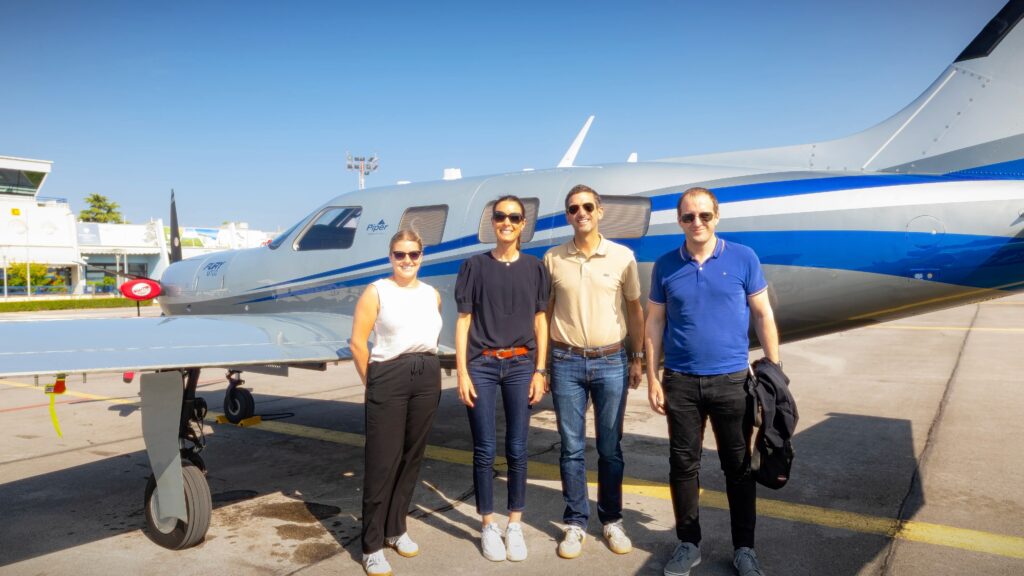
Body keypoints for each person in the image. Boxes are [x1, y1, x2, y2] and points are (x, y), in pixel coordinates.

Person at [645, 187, 780, 576]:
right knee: (683, 466)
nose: (697, 222)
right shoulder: (666, 265)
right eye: (688, 216)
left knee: (738, 468)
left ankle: (744, 549)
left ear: (716, 217)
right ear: (679, 221)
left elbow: (763, 314)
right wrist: (653, 377)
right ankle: (688, 544)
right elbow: (654, 323)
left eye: (704, 215)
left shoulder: (743, 257)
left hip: (732, 382)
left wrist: (775, 370)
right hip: (681, 382)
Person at [543, 184, 645, 559]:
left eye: (587, 206)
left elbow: (635, 309)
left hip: (611, 360)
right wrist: (543, 365)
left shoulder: (622, 257)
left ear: (599, 211)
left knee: (609, 448)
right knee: (571, 449)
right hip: (566, 361)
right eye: (573, 208)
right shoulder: (553, 259)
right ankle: (575, 521)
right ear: (568, 215)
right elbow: (545, 312)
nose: (581, 213)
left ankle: (612, 520)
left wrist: (638, 357)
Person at [454, 195, 549, 563]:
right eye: (500, 216)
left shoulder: (535, 268)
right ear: (492, 222)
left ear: (523, 224)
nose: (506, 222)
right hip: (482, 364)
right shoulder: (474, 266)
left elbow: (541, 321)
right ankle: (488, 525)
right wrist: (462, 371)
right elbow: (463, 322)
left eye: (513, 217)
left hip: (522, 365)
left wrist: (540, 370)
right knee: (484, 448)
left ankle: (515, 524)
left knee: (518, 447)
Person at [351, 229, 443, 576]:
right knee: (382, 462)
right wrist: (373, 383)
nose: (407, 260)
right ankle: (371, 545)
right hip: (388, 374)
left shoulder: (431, 294)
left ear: (421, 256)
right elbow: (358, 343)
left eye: (413, 254)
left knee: (411, 457)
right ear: (391, 256)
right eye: (400, 254)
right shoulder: (377, 291)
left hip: (427, 372)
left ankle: (396, 528)